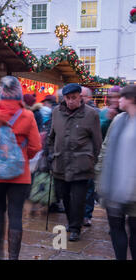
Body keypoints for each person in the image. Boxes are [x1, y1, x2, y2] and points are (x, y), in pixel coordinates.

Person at [0, 76, 42, 260]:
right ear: (19, 95)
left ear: (2, 95)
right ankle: (13, 256)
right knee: (15, 213)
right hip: (20, 175)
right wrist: (21, 157)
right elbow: (36, 146)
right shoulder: (28, 116)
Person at [47, 83, 102, 242]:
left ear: (80, 97)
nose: (71, 101)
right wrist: (51, 154)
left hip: (81, 165)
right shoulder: (56, 112)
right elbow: (51, 137)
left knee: (78, 199)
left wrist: (94, 161)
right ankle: (72, 223)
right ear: (64, 98)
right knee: (65, 197)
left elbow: (97, 141)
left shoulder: (91, 114)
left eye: (74, 98)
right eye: (68, 98)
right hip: (60, 164)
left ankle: (75, 228)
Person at [96, 84, 136, 260]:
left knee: (134, 232)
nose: (118, 100)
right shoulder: (118, 120)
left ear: (131, 99)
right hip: (114, 185)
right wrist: (99, 173)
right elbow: (106, 147)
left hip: (134, 190)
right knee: (116, 229)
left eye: (122, 97)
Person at [41, 94, 65, 213]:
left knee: (54, 179)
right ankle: (54, 202)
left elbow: (50, 135)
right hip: (56, 152)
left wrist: (46, 151)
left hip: (55, 152)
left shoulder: (54, 112)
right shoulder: (56, 112)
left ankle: (54, 202)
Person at [81, 86, 100, 227]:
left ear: (88, 98)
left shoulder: (95, 113)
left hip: (89, 158)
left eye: (82, 96)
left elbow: (97, 139)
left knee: (88, 188)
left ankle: (86, 215)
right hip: (75, 159)